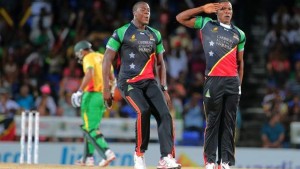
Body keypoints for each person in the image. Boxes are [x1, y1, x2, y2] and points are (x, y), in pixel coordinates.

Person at [102, 1, 181, 169]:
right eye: (143, 10)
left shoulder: (155, 35)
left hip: (150, 82)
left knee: (165, 115)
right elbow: (107, 58)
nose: (147, 13)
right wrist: (106, 88)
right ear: (135, 13)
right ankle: (139, 155)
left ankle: (166, 158)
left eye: (149, 10)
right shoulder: (121, 32)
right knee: (143, 110)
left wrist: (164, 88)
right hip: (128, 82)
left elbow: (160, 63)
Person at [176, 1, 246, 169]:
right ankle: (210, 161)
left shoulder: (240, 34)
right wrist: (201, 9)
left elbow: (240, 62)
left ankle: (226, 162)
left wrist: (239, 86)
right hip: (213, 80)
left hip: (232, 82)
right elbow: (180, 18)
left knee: (229, 123)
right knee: (213, 122)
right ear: (216, 12)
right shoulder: (207, 24)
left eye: (230, 8)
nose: (227, 11)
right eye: (223, 9)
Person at [71, 40, 116, 167]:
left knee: (88, 128)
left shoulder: (88, 57)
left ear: (83, 50)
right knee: (92, 128)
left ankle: (107, 152)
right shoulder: (103, 57)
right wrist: (110, 95)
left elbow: (90, 74)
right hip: (102, 96)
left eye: (79, 53)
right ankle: (88, 158)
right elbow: (114, 79)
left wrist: (79, 91)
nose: (80, 56)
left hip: (90, 95)